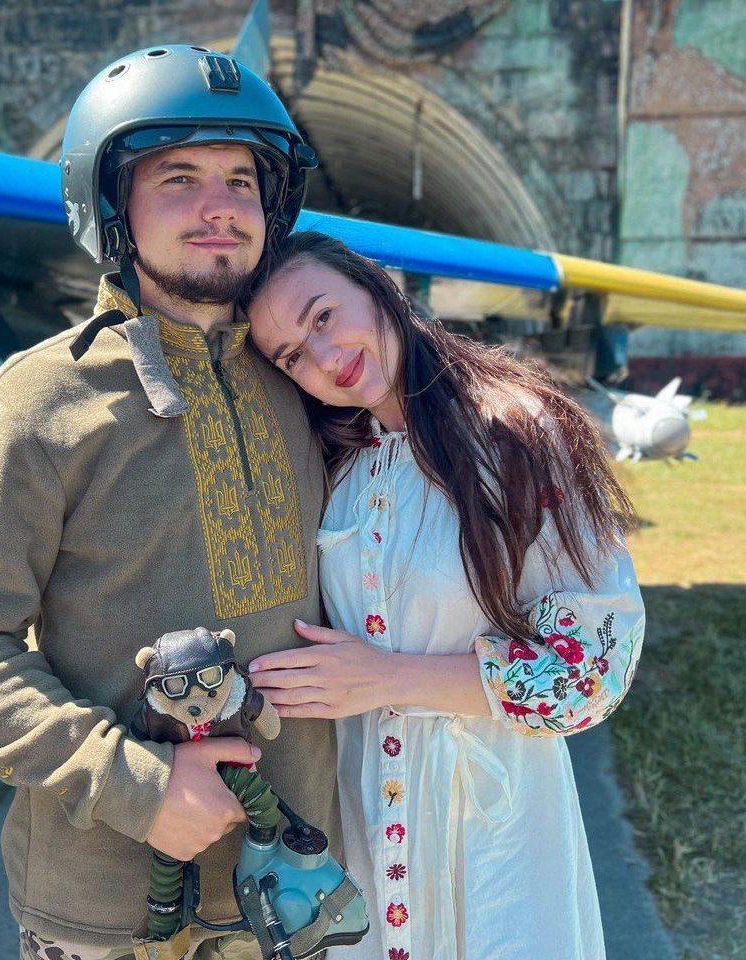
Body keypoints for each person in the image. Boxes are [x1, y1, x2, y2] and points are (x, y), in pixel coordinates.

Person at [0, 47, 337, 960]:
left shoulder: (303, 383)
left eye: (241, 180)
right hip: (114, 914)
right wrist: (135, 783)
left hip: (291, 896)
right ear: (112, 207)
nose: (220, 204)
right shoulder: (33, 406)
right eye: (178, 177)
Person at [244, 230, 646, 960]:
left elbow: (592, 671)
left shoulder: (518, 435)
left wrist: (384, 677)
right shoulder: (338, 467)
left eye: (324, 316)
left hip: (497, 829)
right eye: (292, 356)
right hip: (367, 823)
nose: (324, 358)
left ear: (376, 287)